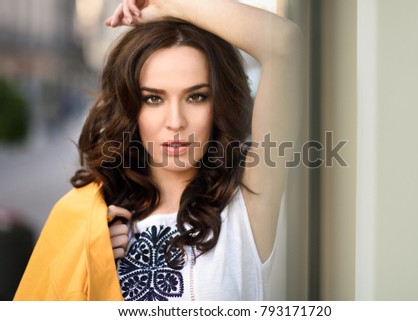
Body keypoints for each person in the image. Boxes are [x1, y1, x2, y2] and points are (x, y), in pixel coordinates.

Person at [14, 0, 302, 301]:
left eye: (197, 97)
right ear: (130, 108)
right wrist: (90, 260)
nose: (175, 122)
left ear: (218, 105)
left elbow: (284, 44)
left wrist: (172, 5)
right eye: (154, 99)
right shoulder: (95, 222)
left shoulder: (247, 207)